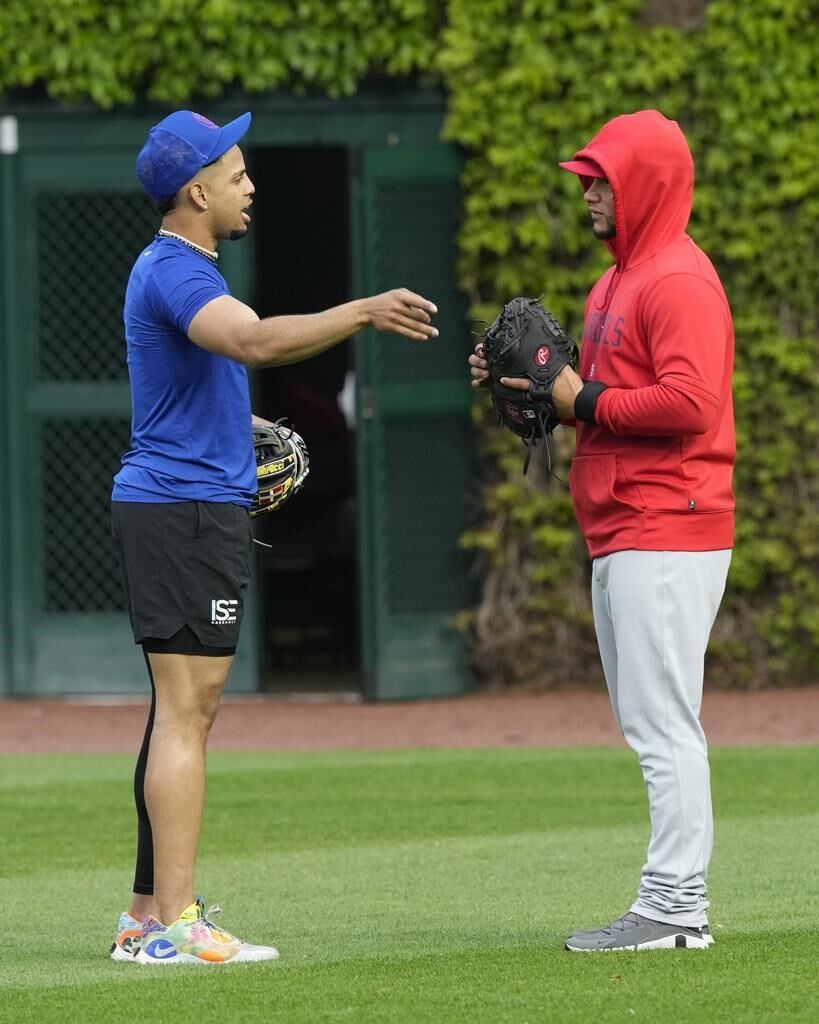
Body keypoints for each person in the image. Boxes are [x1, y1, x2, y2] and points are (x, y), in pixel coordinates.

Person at [110, 109, 439, 965]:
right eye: (239, 172)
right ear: (197, 189)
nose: (250, 185)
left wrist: (229, 426)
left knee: (178, 715)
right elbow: (253, 340)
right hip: (180, 514)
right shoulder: (180, 273)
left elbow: (198, 379)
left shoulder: (182, 272)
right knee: (188, 713)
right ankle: (176, 925)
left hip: (184, 506)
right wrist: (363, 310)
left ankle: (147, 918)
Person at [470, 109, 735, 951]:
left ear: (646, 186)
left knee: (663, 727)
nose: (586, 192)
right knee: (651, 724)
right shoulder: (615, 280)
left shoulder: (677, 281)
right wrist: (519, 382)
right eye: (586, 178)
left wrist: (576, 400)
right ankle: (671, 903)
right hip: (624, 524)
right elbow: (579, 391)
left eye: (602, 180)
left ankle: (674, 907)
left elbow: (690, 404)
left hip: (669, 523)